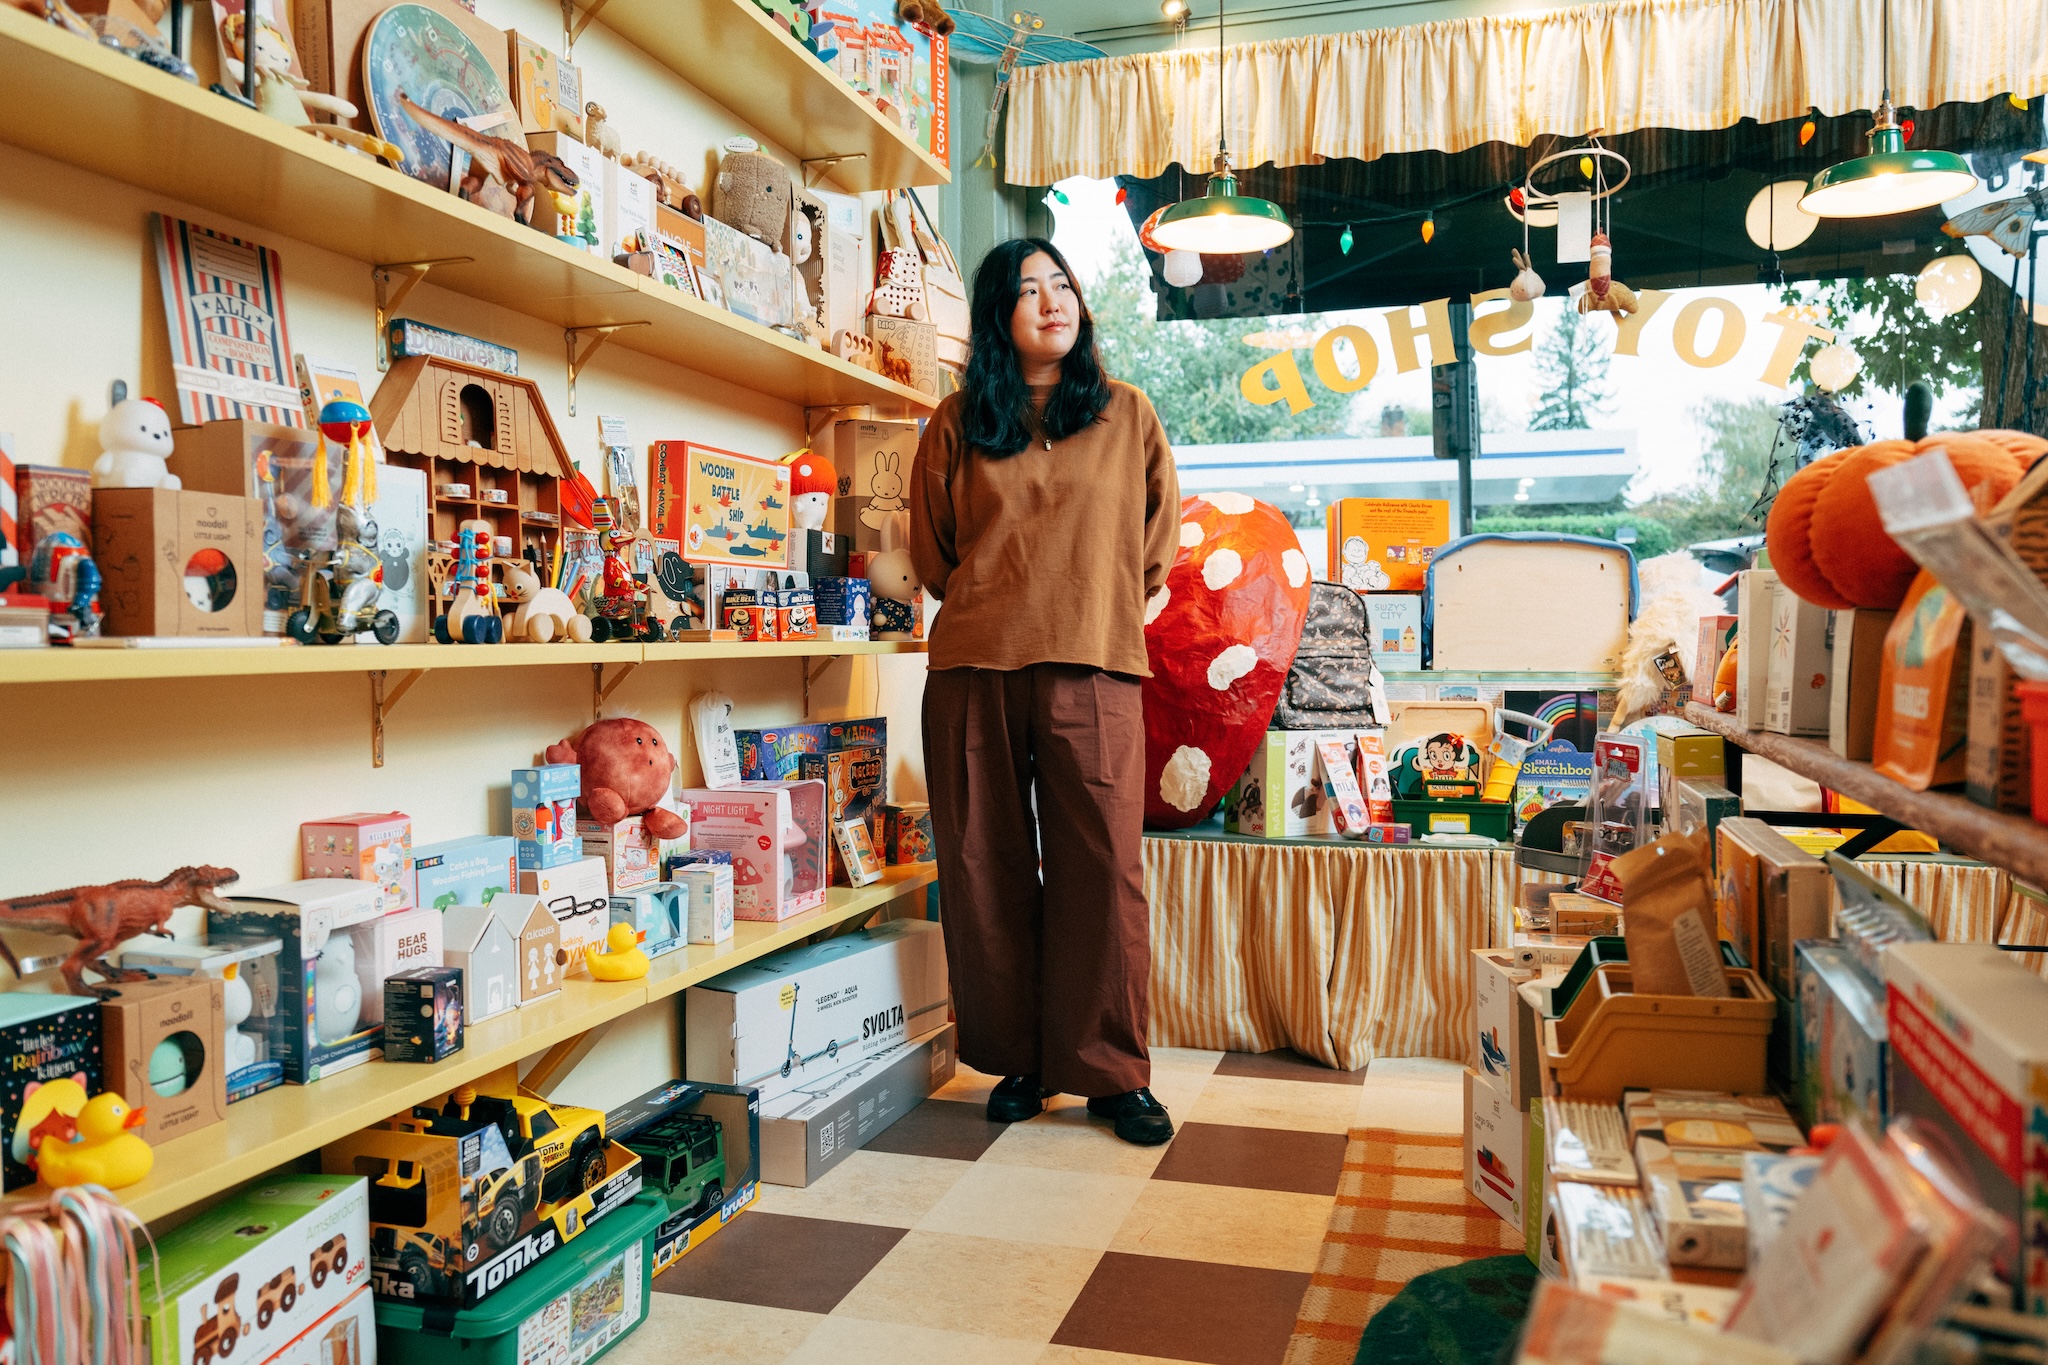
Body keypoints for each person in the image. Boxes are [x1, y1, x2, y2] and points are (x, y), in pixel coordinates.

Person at [909, 237, 1181, 1146]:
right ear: (999, 315)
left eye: (1061, 283)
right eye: (1028, 290)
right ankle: (1020, 1057)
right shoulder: (956, 421)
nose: (1051, 301)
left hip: (1097, 661)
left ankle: (1109, 1072)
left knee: (1103, 870)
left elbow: (1155, 546)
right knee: (985, 869)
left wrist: (1093, 600)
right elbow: (934, 553)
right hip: (973, 665)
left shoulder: (1126, 412)